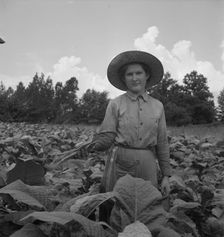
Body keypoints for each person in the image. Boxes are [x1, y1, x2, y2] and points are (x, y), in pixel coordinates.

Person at [79, 50, 171, 196]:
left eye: (138, 73)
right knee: (115, 203)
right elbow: (107, 137)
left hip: (147, 164)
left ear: (146, 75)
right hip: (119, 163)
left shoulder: (157, 106)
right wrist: (90, 145)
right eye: (129, 74)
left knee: (146, 205)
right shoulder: (115, 104)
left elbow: (162, 142)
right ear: (124, 78)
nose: (134, 78)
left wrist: (166, 175)